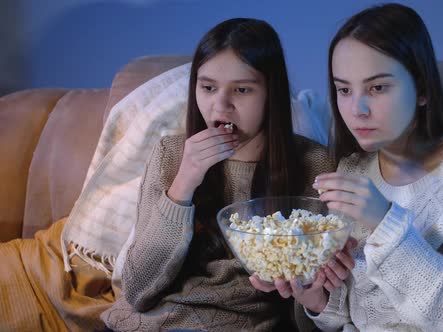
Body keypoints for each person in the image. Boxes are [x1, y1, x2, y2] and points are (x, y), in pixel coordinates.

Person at [252, 3, 443, 331]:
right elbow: (352, 314)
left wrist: (385, 224)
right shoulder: (352, 170)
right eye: (343, 90)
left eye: (377, 88)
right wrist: (314, 297)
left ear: (422, 89)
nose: (357, 109)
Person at [100, 18, 334, 331]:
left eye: (241, 89)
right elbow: (138, 290)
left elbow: (314, 314)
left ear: (271, 94)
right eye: (208, 87)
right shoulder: (171, 153)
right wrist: (183, 184)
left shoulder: (315, 164)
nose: (220, 105)